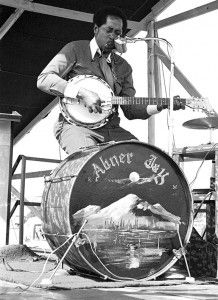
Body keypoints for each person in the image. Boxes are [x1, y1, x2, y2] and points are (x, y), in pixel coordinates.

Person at [37, 6, 183, 155]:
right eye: (109, 30)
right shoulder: (75, 49)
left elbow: (130, 109)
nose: (113, 36)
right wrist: (82, 93)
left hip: (112, 129)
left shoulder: (124, 67)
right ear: (96, 29)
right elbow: (44, 79)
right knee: (91, 160)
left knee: (143, 158)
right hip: (76, 128)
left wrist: (158, 106)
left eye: (117, 32)